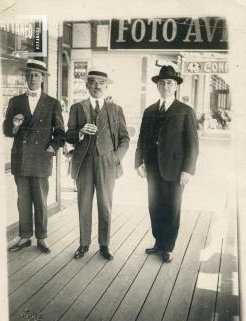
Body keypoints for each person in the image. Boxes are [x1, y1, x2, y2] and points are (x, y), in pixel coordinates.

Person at [135, 65, 199, 262]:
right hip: (153, 168)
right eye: (162, 83)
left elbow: (193, 145)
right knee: (155, 205)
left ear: (176, 87)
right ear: (157, 86)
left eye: (170, 83)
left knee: (172, 207)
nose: (165, 86)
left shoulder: (185, 111)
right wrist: (139, 162)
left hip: (175, 169)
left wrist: (187, 170)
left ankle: (168, 246)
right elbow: (142, 139)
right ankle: (158, 242)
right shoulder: (150, 111)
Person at [66, 69, 129, 261]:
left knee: (105, 204)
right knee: (83, 204)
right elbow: (68, 135)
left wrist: (115, 157)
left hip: (106, 163)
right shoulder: (77, 108)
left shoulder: (115, 109)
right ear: (87, 86)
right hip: (84, 162)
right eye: (93, 82)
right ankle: (83, 244)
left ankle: (104, 245)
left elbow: (124, 138)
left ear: (106, 86)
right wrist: (80, 132)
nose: (97, 86)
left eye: (101, 83)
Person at [4, 59, 65, 253]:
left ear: (43, 78)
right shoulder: (15, 101)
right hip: (20, 158)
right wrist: (14, 125)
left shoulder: (52, 103)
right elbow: (6, 130)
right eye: (29, 74)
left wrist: (52, 149)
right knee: (23, 200)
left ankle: (42, 237)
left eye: (36, 75)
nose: (32, 78)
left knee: (40, 200)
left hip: (41, 158)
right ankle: (24, 237)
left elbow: (60, 133)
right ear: (25, 77)